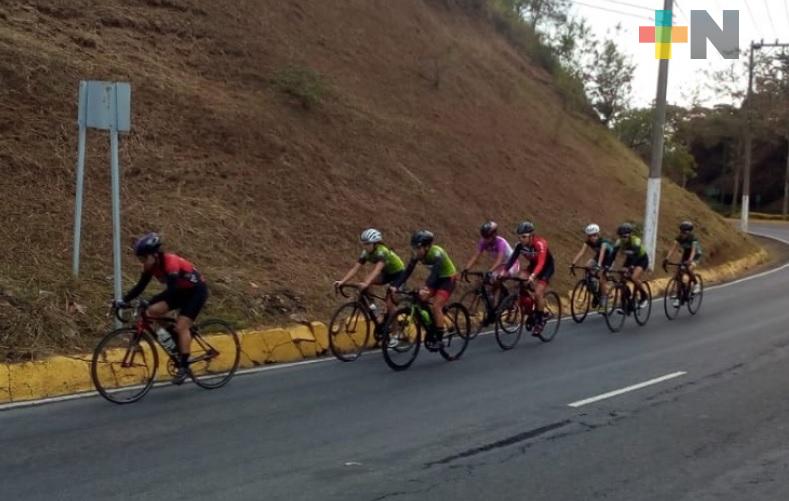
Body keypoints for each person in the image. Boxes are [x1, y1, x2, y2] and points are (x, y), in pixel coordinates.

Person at [117, 232, 207, 385]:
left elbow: (172, 291)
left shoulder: (170, 262)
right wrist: (122, 300)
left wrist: (150, 300)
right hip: (180, 291)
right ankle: (176, 338)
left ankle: (184, 366)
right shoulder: (150, 265)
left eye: (144, 258)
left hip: (196, 291)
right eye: (140, 259)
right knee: (152, 311)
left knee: (182, 326)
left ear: (154, 255)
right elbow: (140, 286)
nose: (142, 262)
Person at [391, 230, 458, 348]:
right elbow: (407, 271)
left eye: (418, 248)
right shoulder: (417, 255)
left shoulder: (437, 253)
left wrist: (426, 287)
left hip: (448, 279)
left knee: (436, 305)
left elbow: (435, 274)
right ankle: (432, 324)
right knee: (419, 299)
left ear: (427, 247)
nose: (416, 251)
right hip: (437, 279)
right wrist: (395, 285)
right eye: (414, 248)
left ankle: (440, 338)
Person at [334, 228, 405, 320]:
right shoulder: (365, 253)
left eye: (368, 244)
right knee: (367, 281)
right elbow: (355, 268)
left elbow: (377, 270)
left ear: (375, 243)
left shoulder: (382, 251)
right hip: (387, 273)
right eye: (364, 244)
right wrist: (342, 281)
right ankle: (373, 307)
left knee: (389, 304)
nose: (365, 247)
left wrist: (366, 283)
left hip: (399, 274)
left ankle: (396, 327)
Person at [502, 221, 555, 336]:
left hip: (546, 267)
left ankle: (540, 320)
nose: (521, 239)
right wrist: (504, 271)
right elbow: (512, 259)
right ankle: (531, 312)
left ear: (531, 236)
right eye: (519, 237)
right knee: (520, 279)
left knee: (538, 293)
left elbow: (541, 263)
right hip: (533, 266)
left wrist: (532, 276)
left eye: (524, 237)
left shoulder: (540, 243)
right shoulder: (520, 246)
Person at [461, 221, 519, 305]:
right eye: (484, 236)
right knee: (483, 280)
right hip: (502, 265)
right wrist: (466, 268)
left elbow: (499, 260)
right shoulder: (483, 242)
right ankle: (492, 301)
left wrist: (490, 271)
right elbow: (475, 256)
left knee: (497, 278)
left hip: (513, 264)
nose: (485, 239)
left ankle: (498, 300)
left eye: (487, 237)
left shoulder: (500, 242)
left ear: (494, 235)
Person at [569, 223, 615, 309]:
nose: (592, 238)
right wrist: (573, 263)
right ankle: (594, 290)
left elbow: (602, 254)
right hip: (598, 257)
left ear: (598, 234)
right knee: (587, 265)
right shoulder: (588, 242)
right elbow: (582, 252)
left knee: (601, 277)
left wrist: (599, 265)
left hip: (609, 259)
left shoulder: (603, 242)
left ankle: (603, 298)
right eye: (589, 236)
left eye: (594, 235)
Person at [663, 220, 703, 306]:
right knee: (679, 274)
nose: (682, 234)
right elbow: (673, 249)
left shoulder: (693, 238)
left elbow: (693, 251)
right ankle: (678, 297)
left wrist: (690, 261)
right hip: (686, 254)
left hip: (696, 255)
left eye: (684, 232)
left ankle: (696, 284)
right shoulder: (679, 237)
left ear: (689, 232)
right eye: (681, 231)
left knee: (688, 269)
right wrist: (666, 259)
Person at [612, 223, 650, 310]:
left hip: (641, 259)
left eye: (625, 236)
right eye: (621, 236)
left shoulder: (636, 240)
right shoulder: (619, 242)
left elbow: (636, 254)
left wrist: (632, 266)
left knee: (634, 277)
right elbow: (613, 254)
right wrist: (608, 265)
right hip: (630, 259)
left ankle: (644, 296)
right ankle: (627, 299)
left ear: (630, 234)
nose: (623, 238)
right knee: (622, 278)